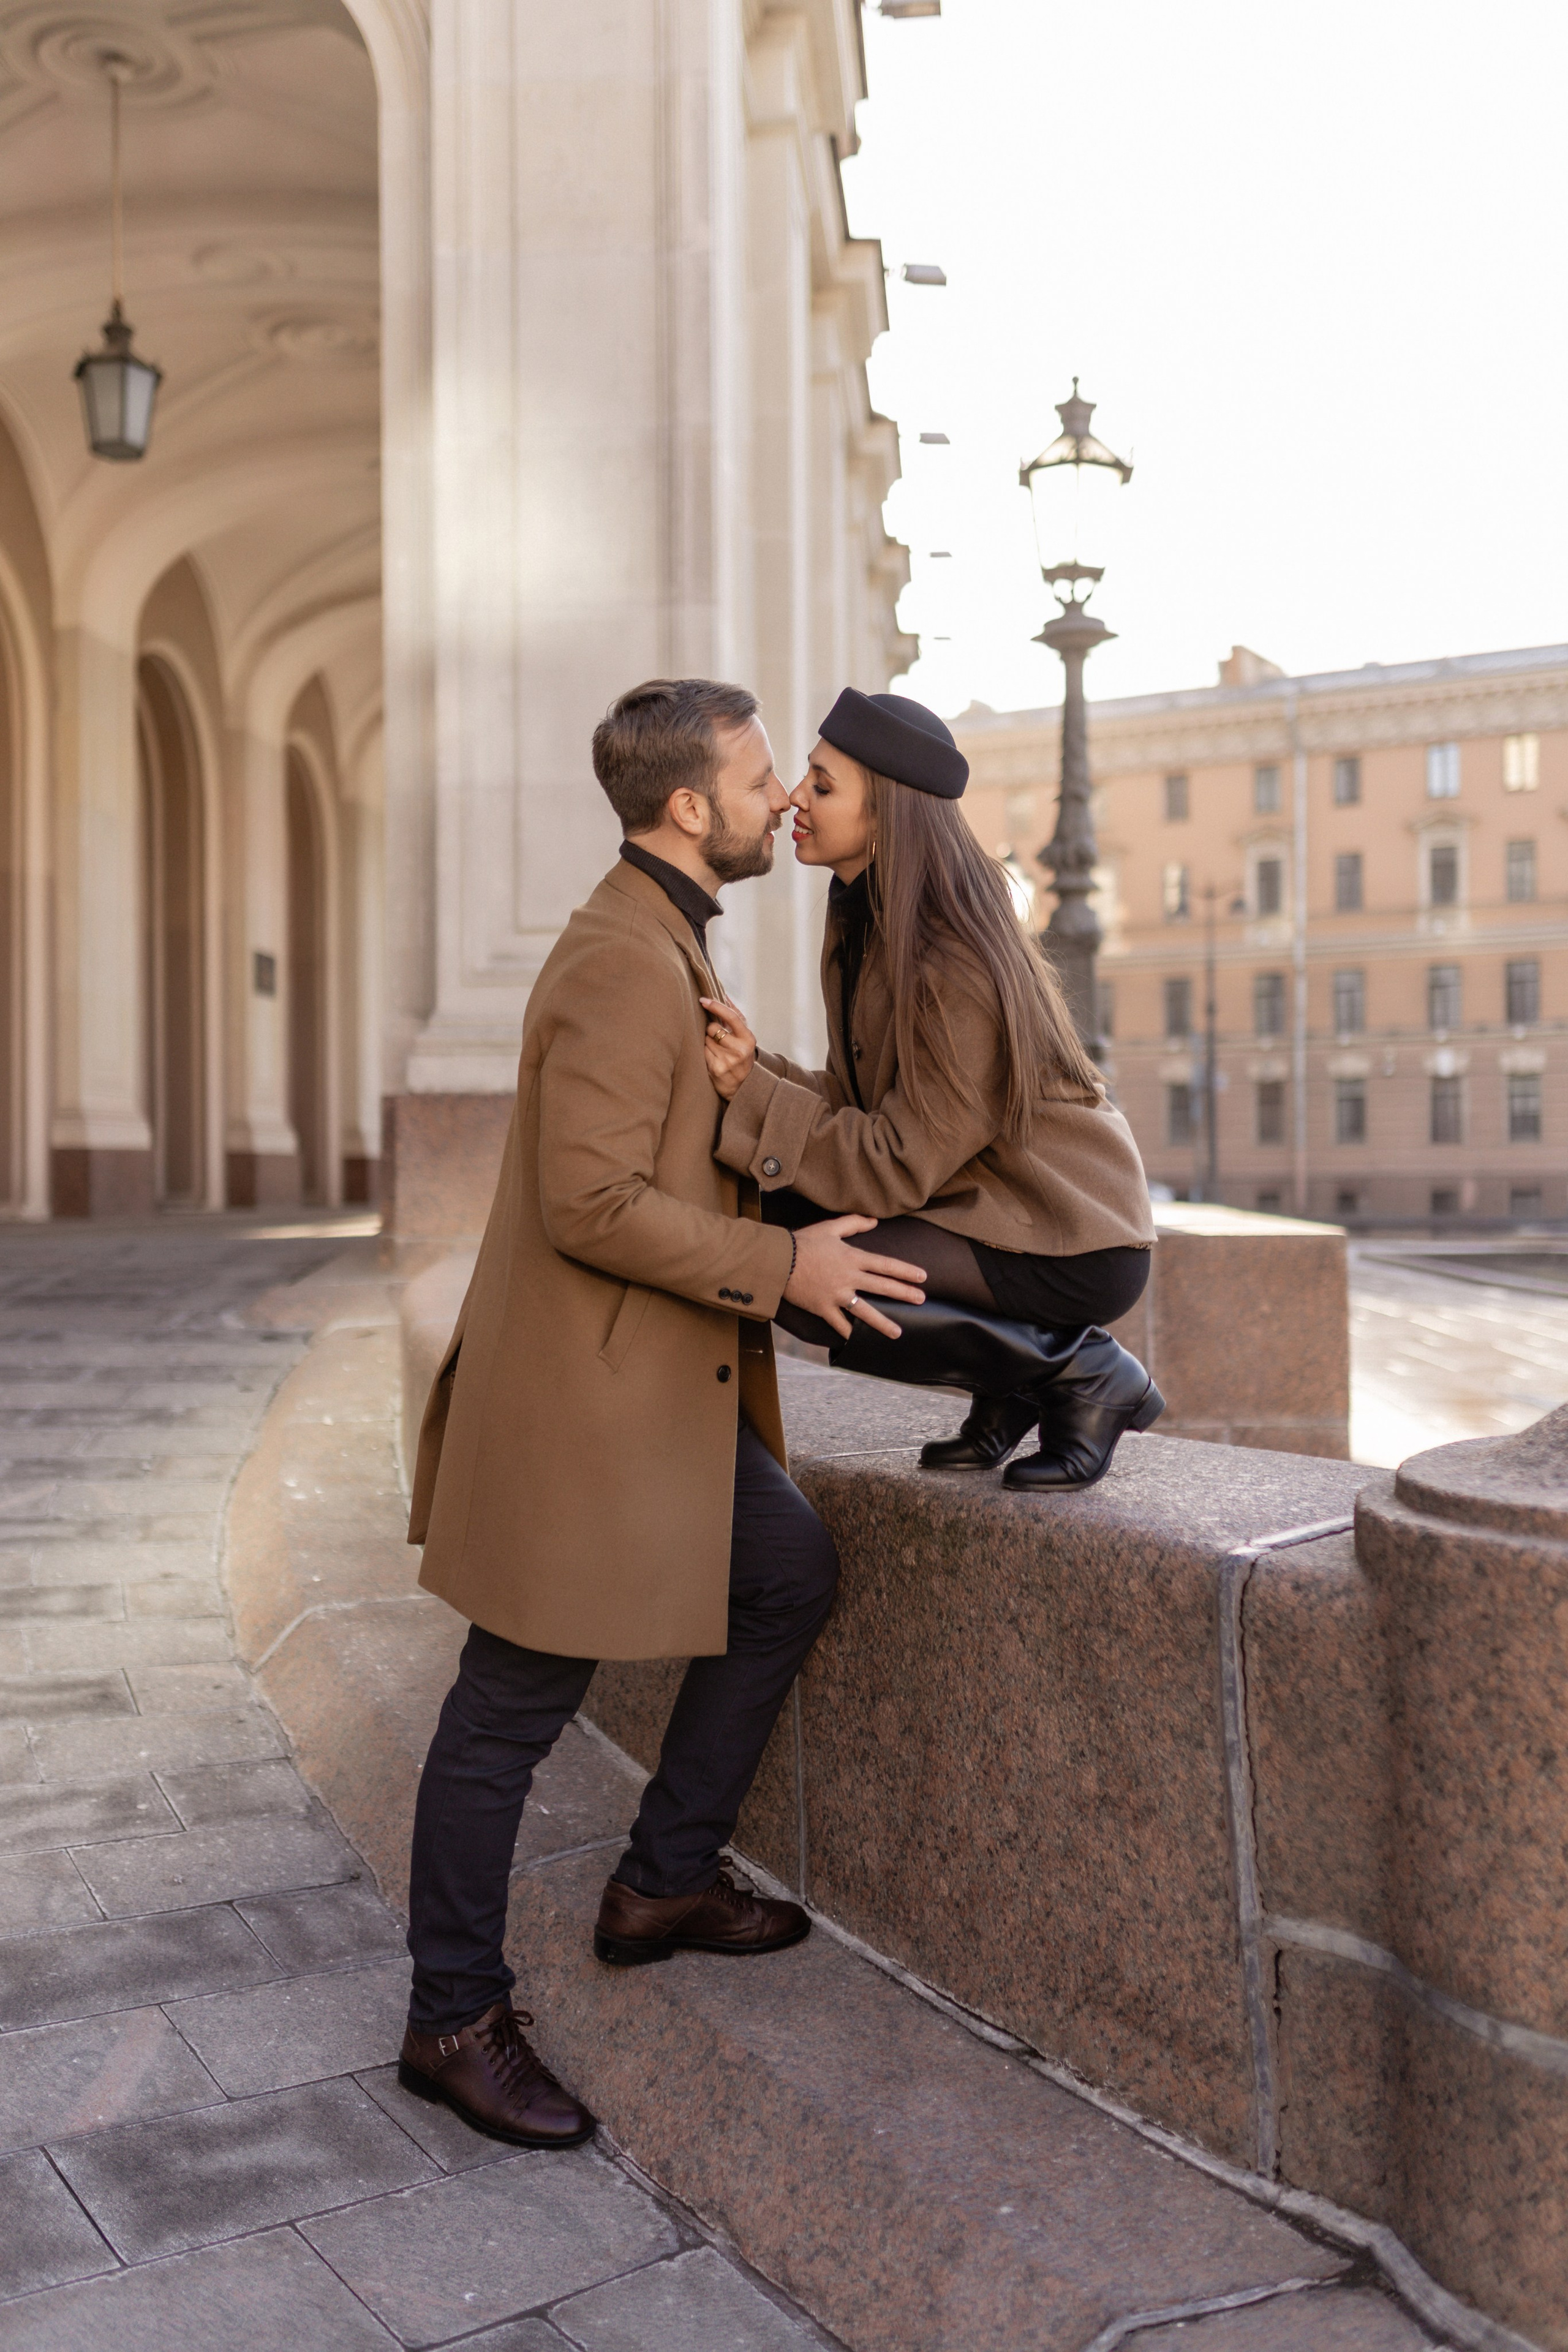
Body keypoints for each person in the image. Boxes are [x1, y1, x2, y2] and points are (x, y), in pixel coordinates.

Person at [396, 679, 927, 2151]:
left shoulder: (657, 939)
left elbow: (657, 1162)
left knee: (786, 1571)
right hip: (589, 1415)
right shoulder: (623, 959)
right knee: (506, 1706)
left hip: (645, 1400)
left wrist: (753, 1095)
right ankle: (449, 2016)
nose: (781, 803)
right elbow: (587, 1204)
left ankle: (662, 1879)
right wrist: (787, 1264)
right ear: (687, 806)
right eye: (761, 780)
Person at [699, 687, 1162, 1490]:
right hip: (981, 1207)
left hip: (1068, 1236)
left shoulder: (950, 961)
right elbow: (859, 1106)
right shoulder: (868, 923)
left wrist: (752, 1098)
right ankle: (1014, 1386)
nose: (795, 800)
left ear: (887, 818)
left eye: (823, 785)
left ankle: (1077, 1373)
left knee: (812, 1279)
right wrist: (756, 1067)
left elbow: (896, 1163)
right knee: (775, 1225)